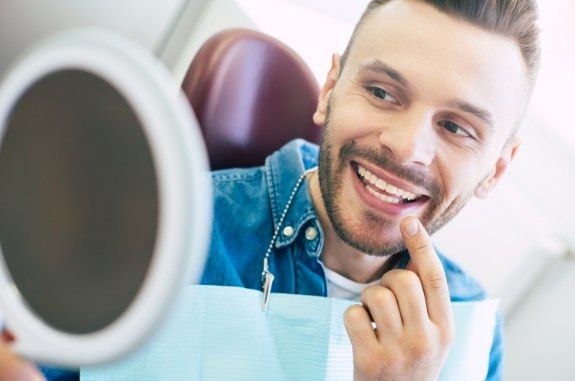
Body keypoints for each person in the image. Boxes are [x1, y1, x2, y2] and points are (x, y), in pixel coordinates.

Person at [2, 0, 540, 380]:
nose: (406, 148)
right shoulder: (144, 230)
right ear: (330, 91)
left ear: (496, 170)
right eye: (381, 92)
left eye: (456, 128)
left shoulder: (473, 336)